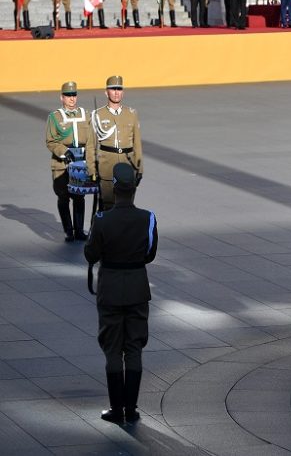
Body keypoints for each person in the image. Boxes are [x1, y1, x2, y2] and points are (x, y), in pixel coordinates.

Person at [83, 162, 158, 425]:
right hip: (137, 288)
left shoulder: (102, 219)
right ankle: (131, 409)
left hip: (111, 290)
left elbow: (90, 254)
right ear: (134, 189)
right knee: (134, 348)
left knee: (113, 349)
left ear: (114, 189)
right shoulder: (148, 218)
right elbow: (150, 253)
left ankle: (117, 410)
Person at [45, 81, 97, 242]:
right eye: (68, 95)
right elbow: (50, 141)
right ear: (62, 97)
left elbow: (91, 141)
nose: (72, 98)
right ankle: (68, 230)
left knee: (79, 196)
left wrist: (91, 164)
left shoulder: (86, 115)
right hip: (61, 164)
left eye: (74, 95)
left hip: (80, 162)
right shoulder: (54, 117)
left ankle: (79, 230)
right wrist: (64, 152)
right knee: (63, 196)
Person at [92, 76, 143, 212]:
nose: (116, 92)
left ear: (123, 92)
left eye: (119, 89)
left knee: (127, 205)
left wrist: (140, 169)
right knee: (108, 206)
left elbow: (137, 143)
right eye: (113, 89)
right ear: (106, 92)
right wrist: (91, 170)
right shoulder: (97, 114)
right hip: (107, 166)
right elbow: (91, 146)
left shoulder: (131, 114)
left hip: (127, 164)